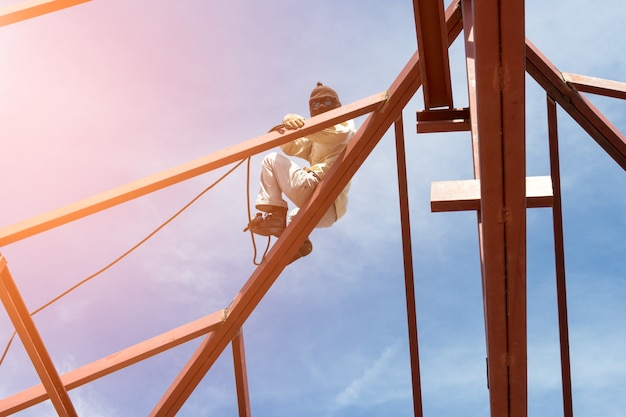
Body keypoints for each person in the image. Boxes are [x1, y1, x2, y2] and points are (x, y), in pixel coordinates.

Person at [244, 82, 356, 263]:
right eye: (315, 104)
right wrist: (285, 128)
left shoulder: (343, 122)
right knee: (293, 220)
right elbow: (293, 146)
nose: (320, 107)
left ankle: (275, 214)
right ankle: (298, 243)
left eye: (327, 102)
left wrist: (300, 124)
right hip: (327, 213)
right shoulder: (318, 139)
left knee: (271, 160)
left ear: (336, 104)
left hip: (321, 189)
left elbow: (339, 135)